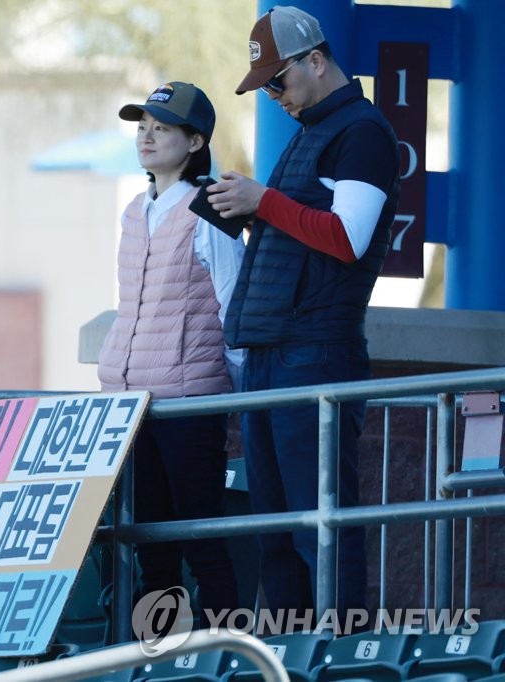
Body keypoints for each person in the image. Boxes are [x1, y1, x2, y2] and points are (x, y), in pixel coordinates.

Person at [207, 6, 400, 630]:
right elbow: (303, 229)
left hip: (314, 351)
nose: (273, 96)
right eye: (264, 87)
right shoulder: (315, 129)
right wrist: (251, 210)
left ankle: (337, 657)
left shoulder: (363, 132)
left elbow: (347, 238)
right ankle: (286, 659)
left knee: (322, 525)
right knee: (278, 530)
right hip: (272, 352)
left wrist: (264, 201)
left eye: (277, 82)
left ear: (315, 61)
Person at [98, 82, 246, 622]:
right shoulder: (135, 210)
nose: (148, 137)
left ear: (194, 141)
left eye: (163, 128)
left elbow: (235, 308)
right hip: (132, 403)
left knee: (201, 536)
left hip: (189, 401)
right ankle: (157, 657)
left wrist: (238, 394)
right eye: (143, 127)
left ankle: (227, 653)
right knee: (150, 545)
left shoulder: (211, 208)